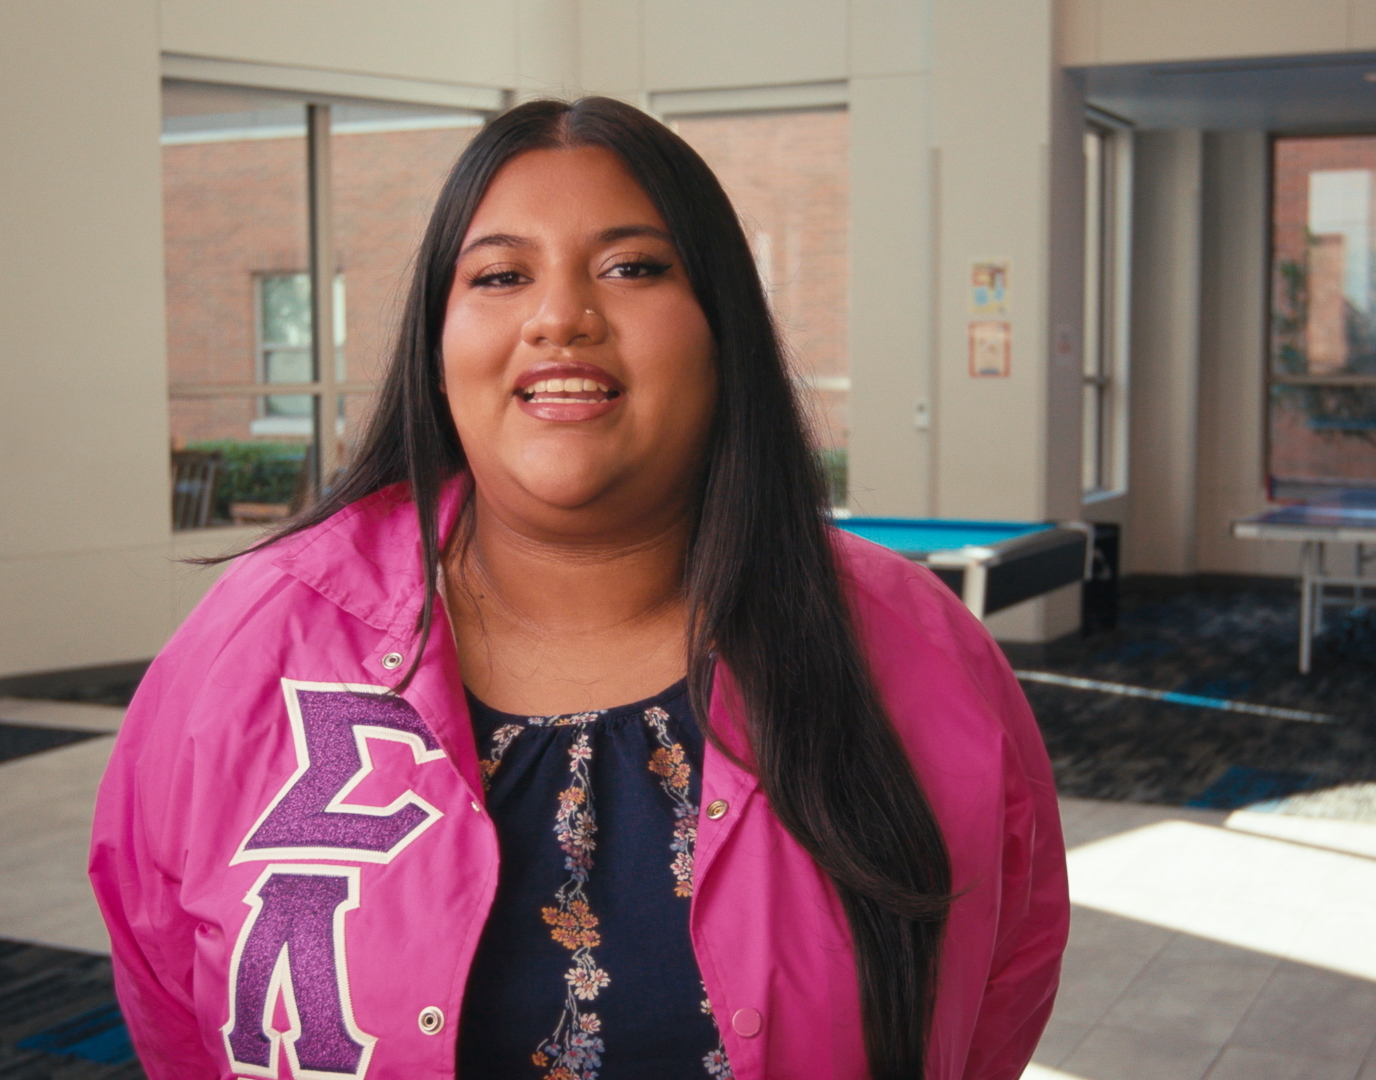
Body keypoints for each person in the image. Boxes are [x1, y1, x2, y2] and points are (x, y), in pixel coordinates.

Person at [89, 96, 1067, 1080]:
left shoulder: (913, 650)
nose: (560, 316)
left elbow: (996, 985)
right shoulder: (253, 644)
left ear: (723, 332)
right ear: (436, 349)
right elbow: (169, 985)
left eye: (632, 267)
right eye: (501, 275)